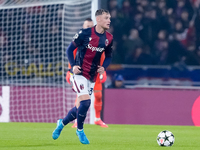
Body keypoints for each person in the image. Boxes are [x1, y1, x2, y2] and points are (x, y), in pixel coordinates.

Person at [52, 9, 113, 144]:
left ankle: (61, 123)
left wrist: (104, 67)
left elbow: (108, 56)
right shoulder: (84, 33)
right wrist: (73, 66)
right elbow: (69, 49)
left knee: (80, 107)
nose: (109, 20)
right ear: (98, 20)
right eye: (106, 18)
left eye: (109, 18)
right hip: (79, 73)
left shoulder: (109, 38)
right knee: (86, 102)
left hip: (92, 76)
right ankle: (80, 130)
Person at [66, 18, 108, 128]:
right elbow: (72, 53)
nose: (89, 28)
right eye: (87, 26)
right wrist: (70, 70)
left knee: (98, 95)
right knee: (81, 97)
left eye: (91, 26)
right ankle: (76, 121)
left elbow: (103, 56)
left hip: (95, 72)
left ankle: (97, 119)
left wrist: (104, 70)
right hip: (81, 71)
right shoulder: (80, 39)